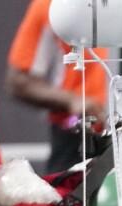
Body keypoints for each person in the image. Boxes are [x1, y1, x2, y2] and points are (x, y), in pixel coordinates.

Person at [7, 0, 110, 174]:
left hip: (117, 134)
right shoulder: (49, 6)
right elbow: (18, 81)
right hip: (75, 137)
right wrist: (73, 101)